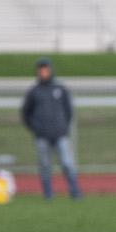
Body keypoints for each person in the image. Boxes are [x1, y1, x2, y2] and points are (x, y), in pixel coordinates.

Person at [20, 59, 79, 201]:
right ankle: (48, 194)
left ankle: (75, 192)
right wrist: (35, 128)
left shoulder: (60, 89)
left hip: (60, 133)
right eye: (41, 69)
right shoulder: (34, 91)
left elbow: (68, 110)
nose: (43, 72)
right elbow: (25, 113)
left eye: (46, 69)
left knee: (67, 163)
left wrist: (64, 126)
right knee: (45, 165)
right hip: (42, 135)